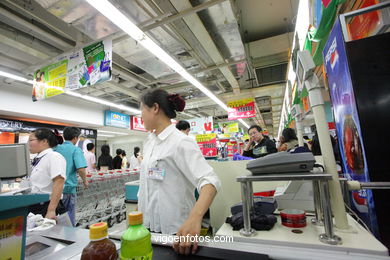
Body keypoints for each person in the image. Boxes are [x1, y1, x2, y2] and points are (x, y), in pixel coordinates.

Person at [138, 89, 221, 255]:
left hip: (178, 233)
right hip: (149, 230)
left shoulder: (181, 142)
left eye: (142, 110)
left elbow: (210, 181)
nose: (140, 116)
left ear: (155, 108)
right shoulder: (150, 142)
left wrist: (195, 218)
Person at [27, 128, 67, 220]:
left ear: (44, 141)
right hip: (36, 205)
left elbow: (59, 182)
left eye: (31, 140)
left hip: (47, 206)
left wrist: (51, 210)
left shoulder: (54, 157)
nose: (28, 143)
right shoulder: (40, 158)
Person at [55, 127, 88, 226]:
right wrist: (85, 181)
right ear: (75, 138)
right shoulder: (76, 150)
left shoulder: (56, 149)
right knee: (68, 217)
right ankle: (69, 237)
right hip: (68, 189)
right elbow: (81, 169)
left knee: (57, 217)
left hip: (55, 189)